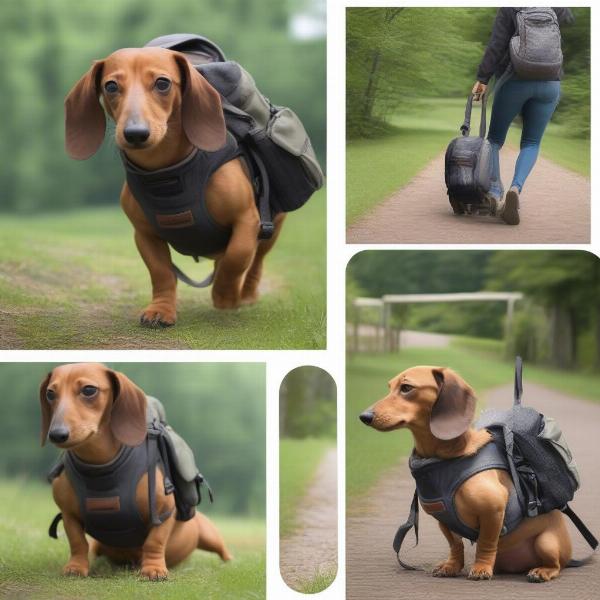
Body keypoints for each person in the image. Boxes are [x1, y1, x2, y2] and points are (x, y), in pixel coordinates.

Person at [472, 7, 574, 225]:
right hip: (550, 82)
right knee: (531, 142)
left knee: (494, 140)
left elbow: (497, 45)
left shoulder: (510, 7)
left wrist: (482, 78)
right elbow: (568, 18)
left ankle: (495, 191)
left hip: (514, 80)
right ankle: (516, 188)